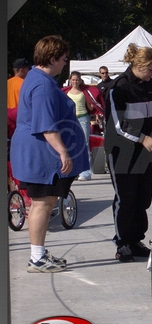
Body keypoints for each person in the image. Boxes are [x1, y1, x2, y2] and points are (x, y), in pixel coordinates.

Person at [10, 36, 89, 273]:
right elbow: (46, 125)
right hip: (41, 156)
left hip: (39, 153)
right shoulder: (43, 85)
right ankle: (36, 257)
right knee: (42, 204)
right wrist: (63, 152)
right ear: (53, 59)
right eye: (63, 59)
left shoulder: (38, 78)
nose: (65, 63)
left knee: (45, 203)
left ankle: (39, 253)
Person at [105, 44, 152, 262]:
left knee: (142, 198)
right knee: (125, 198)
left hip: (144, 151)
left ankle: (136, 240)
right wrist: (143, 138)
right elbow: (118, 124)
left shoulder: (149, 85)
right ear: (140, 65)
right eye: (151, 69)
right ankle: (123, 243)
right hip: (122, 151)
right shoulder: (118, 87)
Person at [62, 71, 104, 180]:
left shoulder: (85, 92)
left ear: (80, 80)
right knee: (71, 145)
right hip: (71, 120)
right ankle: (74, 172)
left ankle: (86, 173)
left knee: (85, 144)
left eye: (77, 80)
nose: (75, 82)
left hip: (83, 119)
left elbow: (90, 107)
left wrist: (94, 105)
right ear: (70, 80)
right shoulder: (66, 92)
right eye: (73, 80)